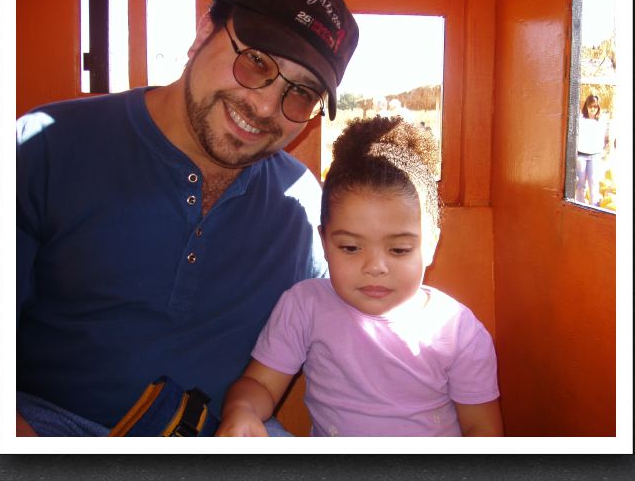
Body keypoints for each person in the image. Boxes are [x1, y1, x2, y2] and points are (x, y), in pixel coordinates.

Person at [16, 0, 359, 436]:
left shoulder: (302, 209)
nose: (263, 106)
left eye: (300, 93)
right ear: (203, 34)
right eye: (256, 60)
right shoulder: (42, 148)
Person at [216, 116, 503, 437]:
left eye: (399, 250)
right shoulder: (305, 305)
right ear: (325, 242)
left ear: (432, 243)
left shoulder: (457, 330)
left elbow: (482, 431)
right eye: (351, 247)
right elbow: (259, 385)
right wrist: (242, 410)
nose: (375, 267)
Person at [575, 94, 607, 205]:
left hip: (595, 156)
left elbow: (604, 138)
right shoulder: (580, 119)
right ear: (586, 106)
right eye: (590, 106)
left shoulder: (601, 121)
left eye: (595, 106)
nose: (592, 109)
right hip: (581, 156)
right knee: (580, 184)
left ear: (598, 107)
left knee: (593, 183)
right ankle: (580, 206)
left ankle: (595, 208)